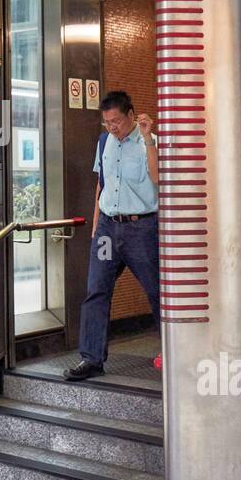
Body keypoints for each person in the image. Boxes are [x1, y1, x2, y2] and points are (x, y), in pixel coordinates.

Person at [64, 90, 161, 380]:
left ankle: (174, 351)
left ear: (131, 115)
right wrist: (96, 226)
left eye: (116, 121)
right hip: (108, 226)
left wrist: (147, 138)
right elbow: (101, 184)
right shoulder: (104, 141)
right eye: (107, 122)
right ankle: (91, 359)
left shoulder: (150, 142)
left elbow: (158, 179)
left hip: (140, 228)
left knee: (157, 290)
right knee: (96, 290)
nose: (112, 127)